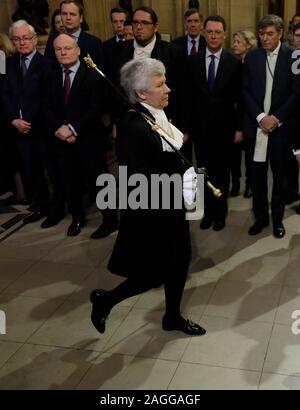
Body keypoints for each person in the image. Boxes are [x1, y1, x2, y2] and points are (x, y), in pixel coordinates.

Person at [90, 58, 206, 336]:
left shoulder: (156, 114)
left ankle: (172, 318)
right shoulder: (133, 125)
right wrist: (181, 177)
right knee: (152, 274)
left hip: (171, 205)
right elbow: (139, 176)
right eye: (160, 84)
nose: (168, 89)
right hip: (152, 211)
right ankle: (105, 300)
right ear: (141, 93)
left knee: (180, 262)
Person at [42, 33, 114, 237]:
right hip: (61, 141)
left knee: (99, 182)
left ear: (78, 50)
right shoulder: (51, 75)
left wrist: (73, 127)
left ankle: (110, 220)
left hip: (89, 139)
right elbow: (46, 107)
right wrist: (60, 129)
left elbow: (96, 106)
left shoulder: (92, 74)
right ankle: (77, 218)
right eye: (58, 49)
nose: (63, 52)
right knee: (70, 182)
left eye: (67, 48)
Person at [182, 15, 242, 232]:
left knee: (222, 172)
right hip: (201, 130)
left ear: (224, 35)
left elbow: (239, 99)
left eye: (218, 32)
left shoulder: (234, 63)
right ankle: (207, 212)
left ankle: (220, 213)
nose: (214, 35)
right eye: (210, 32)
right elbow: (187, 97)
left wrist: (238, 128)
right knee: (203, 172)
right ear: (204, 33)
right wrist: (186, 128)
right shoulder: (192, 61)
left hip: (225, 129)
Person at [242, 14, 298, 239]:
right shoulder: (252, 57)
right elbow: (244, 91)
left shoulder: (293, 57)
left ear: (281, 33)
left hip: (280, 129)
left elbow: (297, 94)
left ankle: (276, 220)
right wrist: (260, 116)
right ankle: (260, 218)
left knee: (280, 177)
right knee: (256, 177)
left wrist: (276, 118)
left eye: (270, 34)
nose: (265, 38)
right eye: (262, 34)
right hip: (257, 127)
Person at [2, 20, 53, 222]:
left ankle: (56, 209)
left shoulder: (47, 65)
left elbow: (47, 99)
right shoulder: (8, 64)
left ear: (34, 39)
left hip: (41, 129)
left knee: (51, 172)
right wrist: (14, 120)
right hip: (19, 130)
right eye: (17, 39)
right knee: (31, 171)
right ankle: (40, 206)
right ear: (13, 42)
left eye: (26, 38)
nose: (22, 42)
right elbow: (4, 95)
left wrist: (29, 121)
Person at [231, 30, 257, 198]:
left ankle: (250, 184)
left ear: (248, 44)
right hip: (233, 113)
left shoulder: (254, 64)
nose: (234, 45)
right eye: (234, 41)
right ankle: (236, 183)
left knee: (250, 155)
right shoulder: (233, 62)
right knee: (233, 154)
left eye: (238, 42)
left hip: (248, 115)